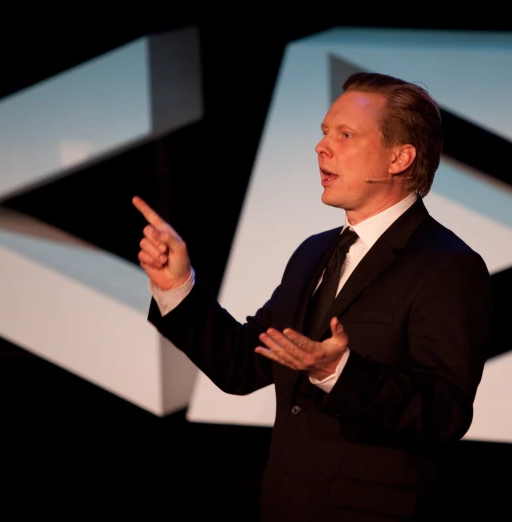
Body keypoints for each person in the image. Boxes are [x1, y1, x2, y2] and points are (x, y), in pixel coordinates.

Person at [133, 72, 493, 522]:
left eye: (345, 134)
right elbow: (243, 365)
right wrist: (177, 287)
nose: (322, 147)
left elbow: (445, 413)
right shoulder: (313, 253)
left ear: (400, 157)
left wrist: (338, 373)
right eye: (324, 133)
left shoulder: (446, 265)